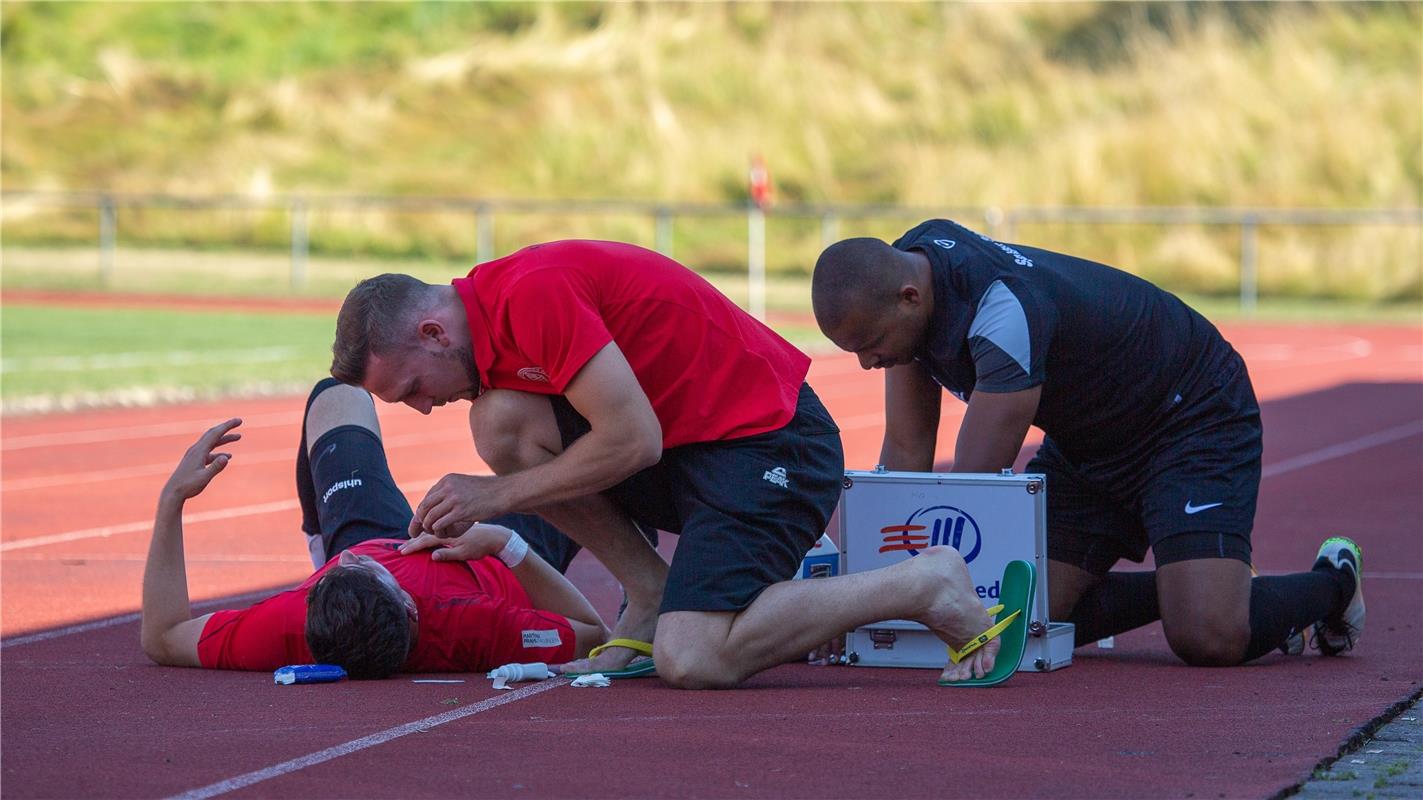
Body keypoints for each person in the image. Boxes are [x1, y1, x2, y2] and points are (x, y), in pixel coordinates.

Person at [329, 239, 1002, 688]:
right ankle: (649, 592)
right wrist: (496, 489)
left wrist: (495, 498)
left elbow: (631, 443)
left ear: (433, 333)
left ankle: (922, 585)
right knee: (500, 422)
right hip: (689, 450)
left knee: (692, 659)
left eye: (411, 389)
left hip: (771, 444)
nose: (420, 408)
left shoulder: (532, 295)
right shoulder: (494, 321)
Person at [810, 219, 1365, 667]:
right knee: (1028, 618)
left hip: (1189, 415)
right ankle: (1202, 581)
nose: (868, 363)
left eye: (872, 345)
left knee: (1207, 638)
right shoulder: (904, 295)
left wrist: (873, 601)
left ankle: (1332, 585)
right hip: (1090, 442)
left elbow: (969, 496)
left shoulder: (1003, 315)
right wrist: (859, 598)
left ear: (909, 299)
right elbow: (906, 456)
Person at [140, 378, 608, 677]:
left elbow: (162, 637)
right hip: (496, 564)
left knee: (337, 393)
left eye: (342, 569)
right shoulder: (476, 624)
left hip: (376, 533)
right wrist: (504, 543)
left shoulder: (293, 626)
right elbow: (592, 632)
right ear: (410, 605)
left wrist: (171, 500)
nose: (349, 560)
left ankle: (323, 544)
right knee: (583, 464)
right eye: (364, 569)